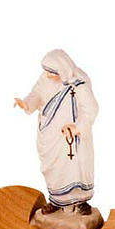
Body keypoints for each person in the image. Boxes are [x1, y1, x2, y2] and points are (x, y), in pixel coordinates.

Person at [14, 49, 98, 215]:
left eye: (52, 72)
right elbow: (36, 94)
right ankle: (56, 200)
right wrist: (26, 103)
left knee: (75, 168)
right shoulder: (45, 78)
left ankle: (81, 202)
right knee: (54, 169)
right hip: (50, 134)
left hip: (71, 138)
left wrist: (77, 127)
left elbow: (91, 109)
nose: (47, 75)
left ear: (63, 69)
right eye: (46, 70)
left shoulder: (79, 83)